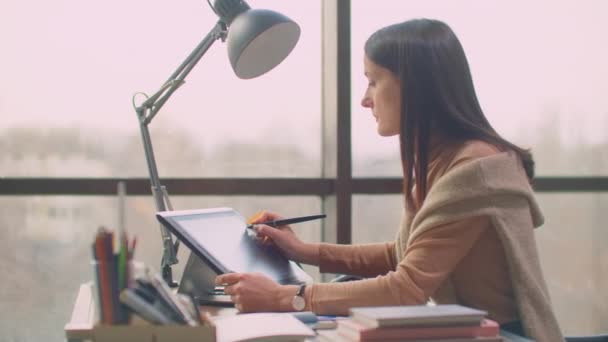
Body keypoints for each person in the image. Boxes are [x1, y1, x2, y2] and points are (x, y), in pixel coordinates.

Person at [216, 18, 563, 342]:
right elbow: (402, 255)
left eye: (373, 80)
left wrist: (284, 297)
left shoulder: (474, 171)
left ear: (414, 87)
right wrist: (304, 251)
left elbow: (406, 287)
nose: (365, 100)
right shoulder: (446, 160)